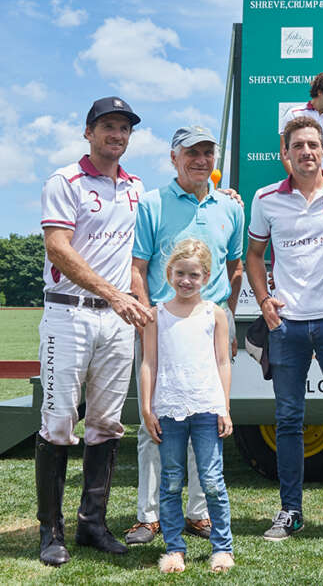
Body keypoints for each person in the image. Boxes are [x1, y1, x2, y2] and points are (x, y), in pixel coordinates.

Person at [36, 96, 154, 566]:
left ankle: (92, 525)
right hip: (70, 314)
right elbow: (58, 248)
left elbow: (141, 243)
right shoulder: (64, 181)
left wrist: (218, 191)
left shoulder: (136, 187)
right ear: (89, 132)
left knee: (106, 423)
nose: (117, 135)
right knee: (59, 422)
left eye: (124, 128)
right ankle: (51, 532)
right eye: (108, 126)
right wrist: (114, 294)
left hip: (116, 318)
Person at [246, 116, 323, 541]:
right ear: (285, 154)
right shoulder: (265, 198)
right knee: (288, 419)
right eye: (298, 146)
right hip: (287, 324)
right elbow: (254, 256)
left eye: (314, 145)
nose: (307, 152)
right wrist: (264, 301)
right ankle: (290, 510)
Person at [127, 126, 244, 545]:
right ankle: (149, 516)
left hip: (208, 326)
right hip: (162, 325)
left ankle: (198, 513)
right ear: (174, 157)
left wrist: (223, 320)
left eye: (208, 153)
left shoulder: (230, 207)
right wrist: (145, 316)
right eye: (191, 153)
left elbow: (235, 267)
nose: (200, 160)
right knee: (154, 425)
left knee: (207, 422)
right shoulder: (152, 203)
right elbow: (138, 267)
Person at [138, 239, 235, 575]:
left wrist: (224, 407)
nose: (186, 280)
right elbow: (148, 363)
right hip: (169, 408)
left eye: (194, 274)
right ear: (169, 273)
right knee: (171, 481)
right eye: (180, 273)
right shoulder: (156, 315)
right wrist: (148, 409)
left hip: (207, 407)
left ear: (205, 276)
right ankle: (174, 549)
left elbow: (223, 361)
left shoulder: (215, 314)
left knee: (212, 480)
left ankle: (223, 548)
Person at [278, 72, 323, 178]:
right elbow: (285, 150)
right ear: (320, 92)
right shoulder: (294, 114)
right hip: (301, 179)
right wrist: (296, 179)